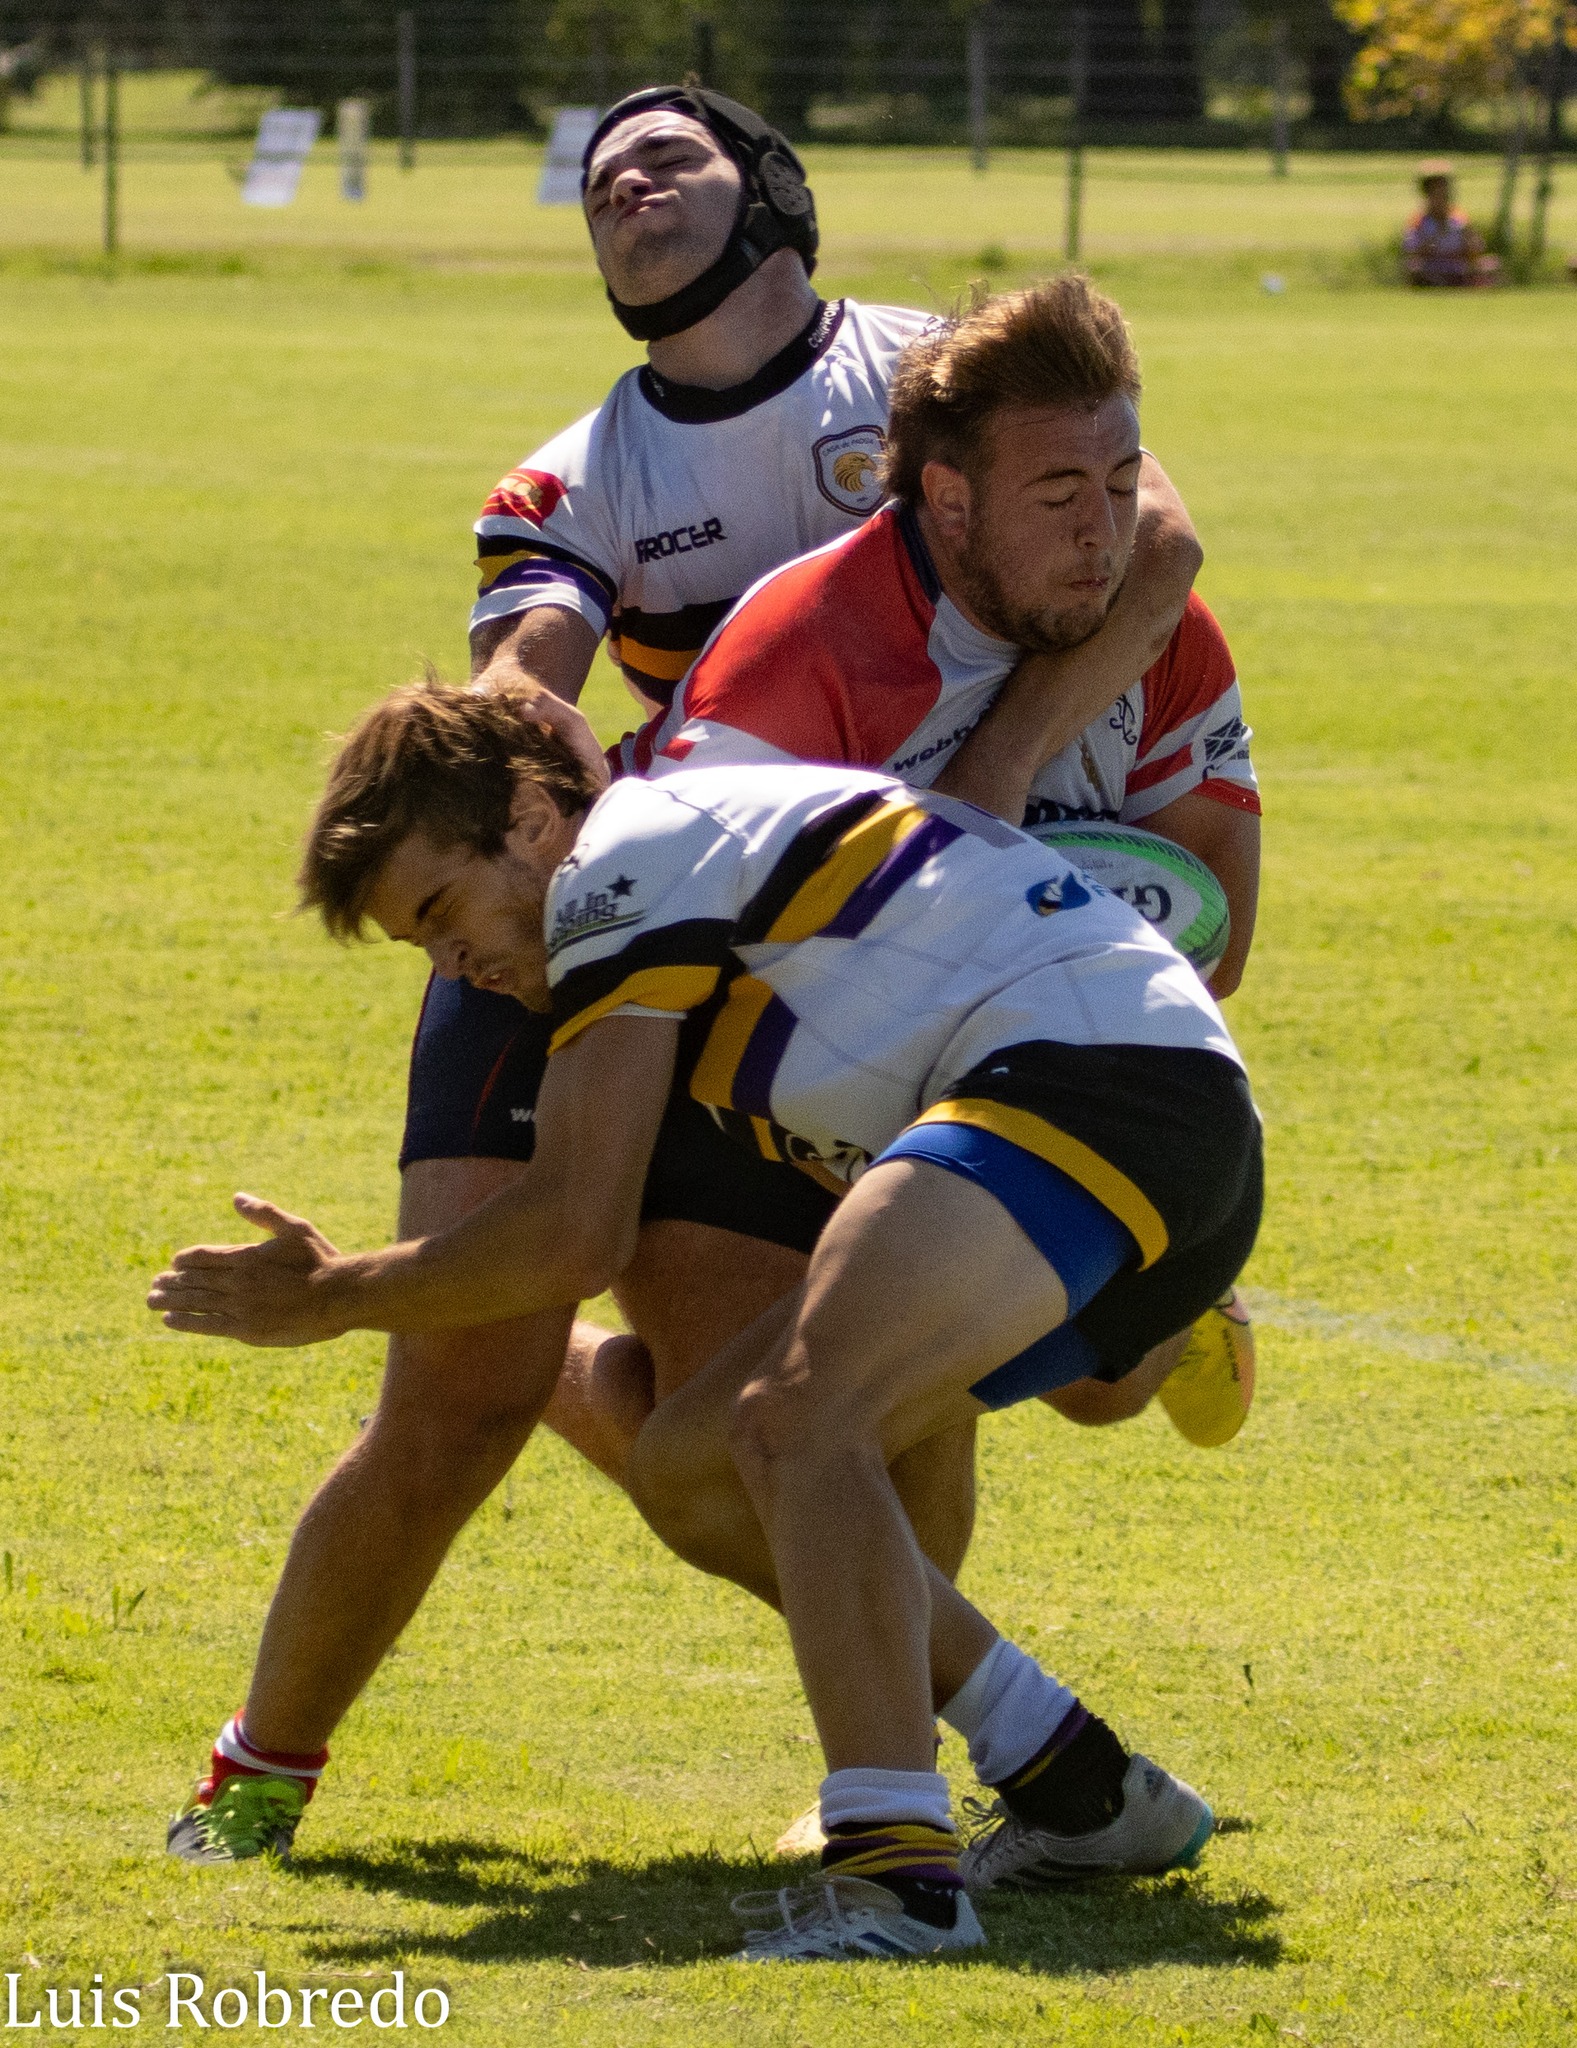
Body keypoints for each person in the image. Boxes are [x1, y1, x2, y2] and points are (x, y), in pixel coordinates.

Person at [163, 86, 1206, 1862]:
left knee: (828, 1405)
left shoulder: (920, 374)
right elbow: (528, 691)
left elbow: (1158, 541)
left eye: (671, 152)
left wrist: (1002, 766)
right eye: (598, 172)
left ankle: (903, 1766)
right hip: (586, 918)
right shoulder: (576, 473)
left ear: (769, 192)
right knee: (469, 1386)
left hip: (837, 948)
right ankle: (260, 1770)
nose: (627, 179)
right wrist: (518, 766)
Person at [149, 686, 1262, 1959]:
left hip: (1098, 1086)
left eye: (442, 911)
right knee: (695, 1458)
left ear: (527, 818)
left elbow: (576, 1229)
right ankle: (1082, 1784)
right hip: (1152, 1131)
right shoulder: (683, 863)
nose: (452, 965)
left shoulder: (618, 856)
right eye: (421, 945)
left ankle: (898, 1880)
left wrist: (332, 1297)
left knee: (796, 1423)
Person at [1403, 162, 1499, 288]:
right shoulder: (1419, 221)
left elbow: (1476, 249)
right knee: (1413, 268)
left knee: (1493, 264)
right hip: (1432, 266)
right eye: (1436, 193)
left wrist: (1470, 242)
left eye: (1444, 193)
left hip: (1458, 265)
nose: (1441, 198)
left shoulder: (1459, 218)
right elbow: (1413, 251)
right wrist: (1437, 236)